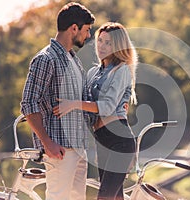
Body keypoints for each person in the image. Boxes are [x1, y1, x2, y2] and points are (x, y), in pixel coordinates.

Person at [53, 22, 138, 200]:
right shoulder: (93, 72)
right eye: (100, 41)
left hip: (120, 140)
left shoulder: (121, 70)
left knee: (104, 196)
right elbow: (84, 99)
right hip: (102, 140)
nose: (102, 46)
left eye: (108, 43)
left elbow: (106, 107)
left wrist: (74, 104)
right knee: (115, 196)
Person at [20, 2, 95, 200]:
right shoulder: (46, 59)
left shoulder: (73, 59)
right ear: (73, 29)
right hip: (59, 150)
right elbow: (29, 102)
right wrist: (47, 142)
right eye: (86, 30)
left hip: (79, 149)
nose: (88, 36)